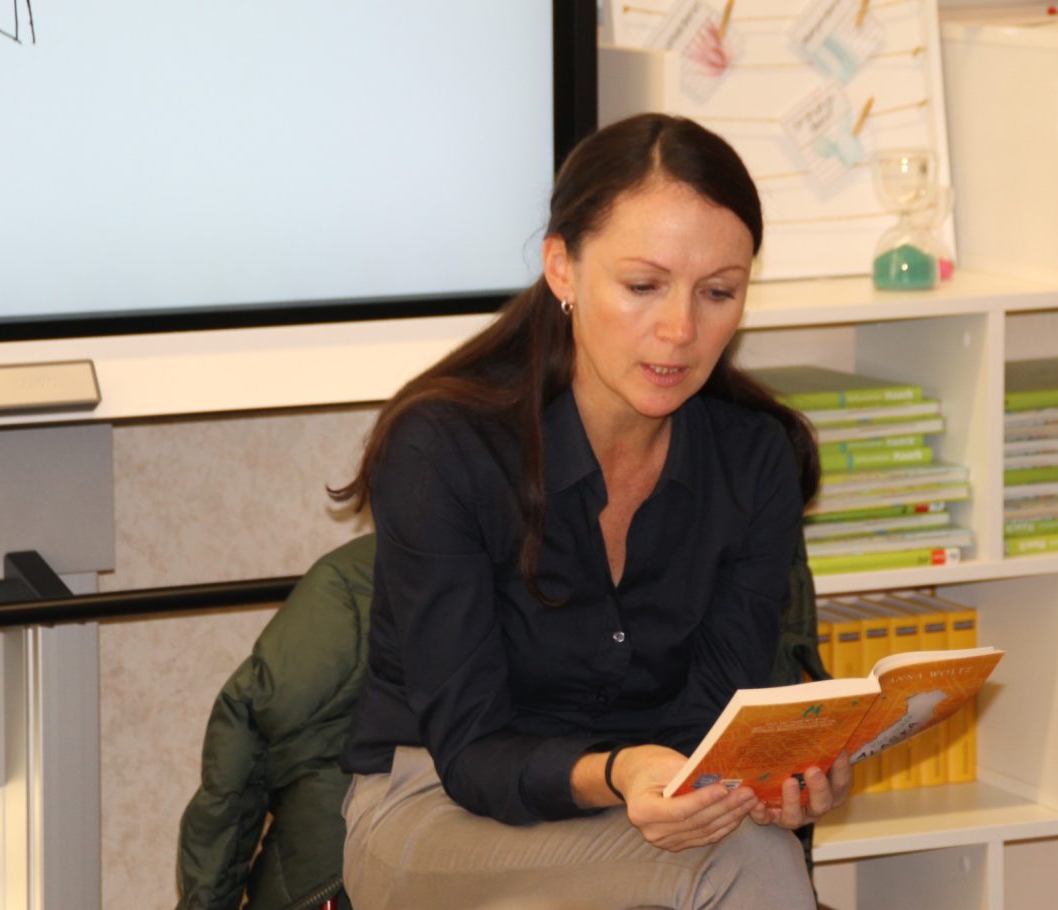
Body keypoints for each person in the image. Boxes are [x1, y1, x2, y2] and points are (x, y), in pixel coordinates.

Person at [332, 112, 851, 910]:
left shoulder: (756, 458)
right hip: (435, 805)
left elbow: (711, 719)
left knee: (749, 844)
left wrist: (764, 784)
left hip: (637, 805)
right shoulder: (445, 447)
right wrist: (620, 773)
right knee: (745, 865)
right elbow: (472, 750)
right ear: (562, 269)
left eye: (718, 293)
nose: (680, 330)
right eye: (643, 286)